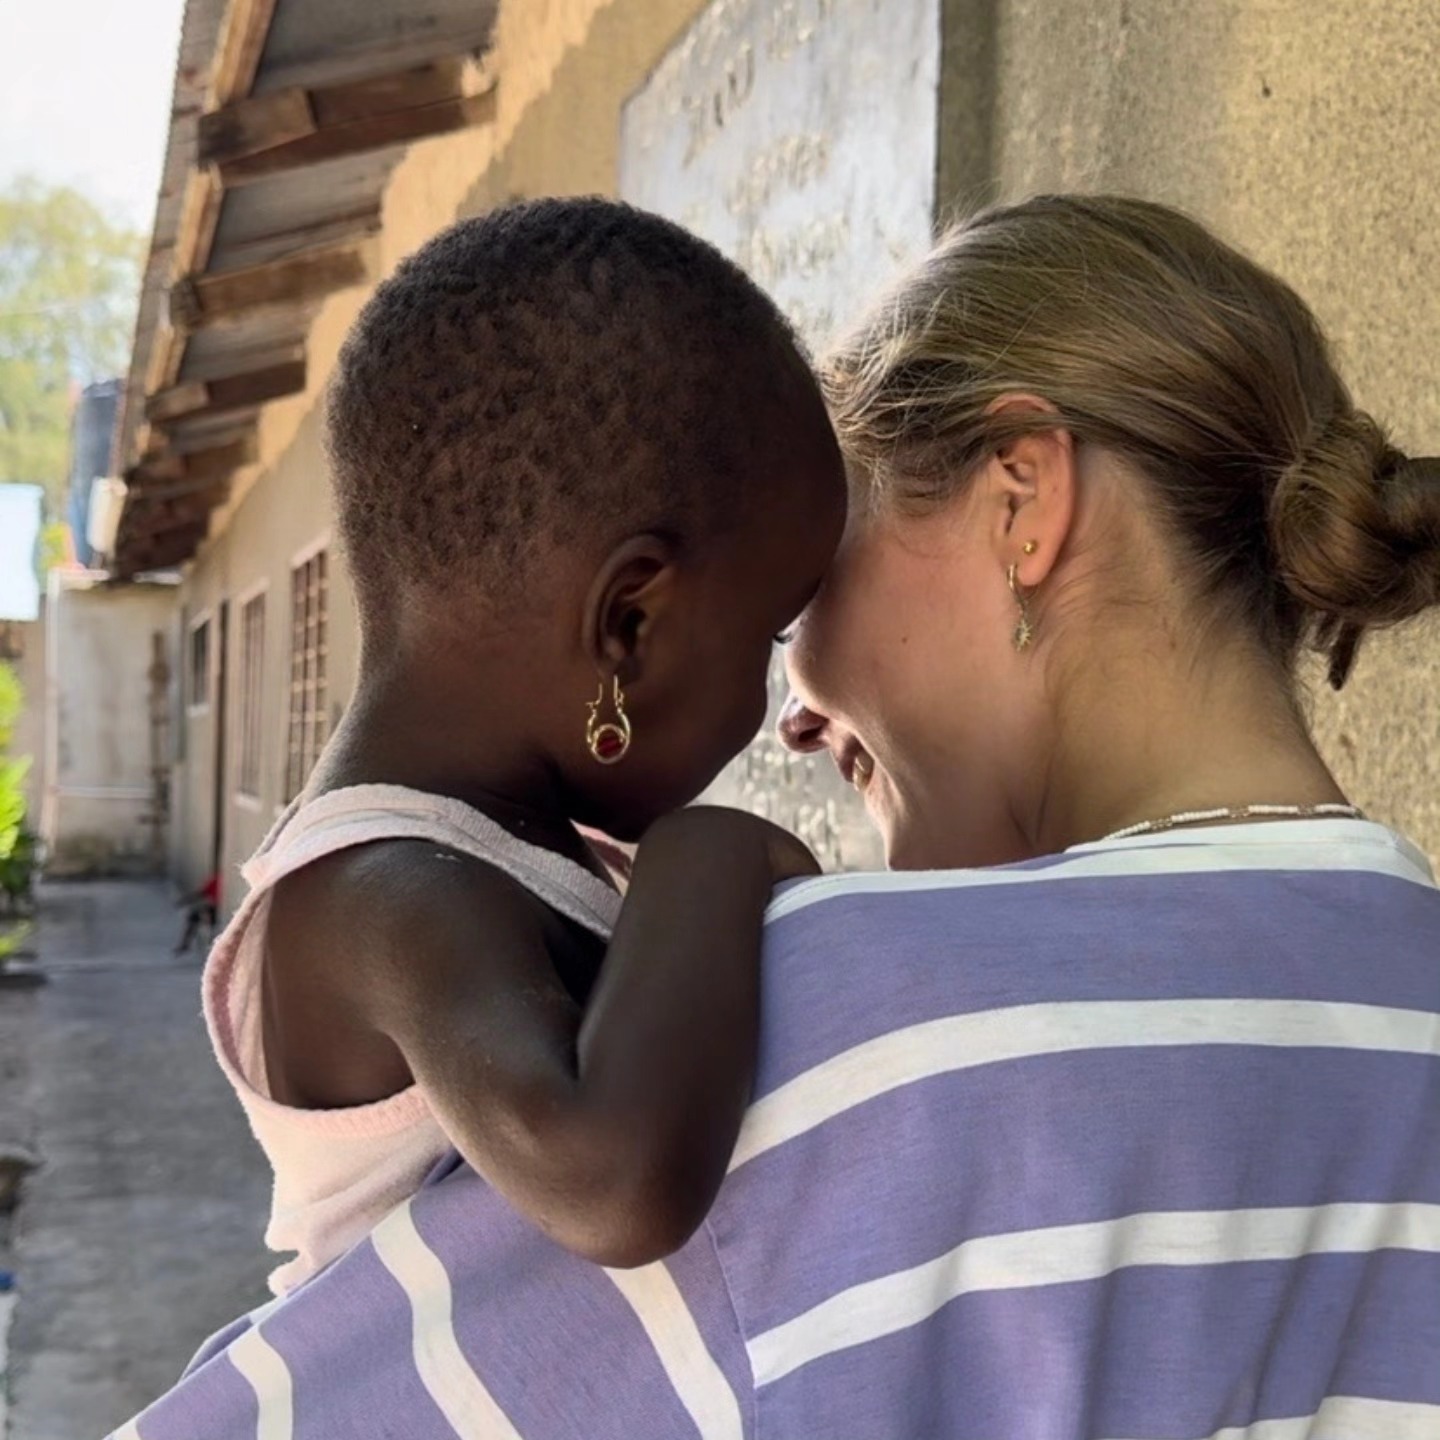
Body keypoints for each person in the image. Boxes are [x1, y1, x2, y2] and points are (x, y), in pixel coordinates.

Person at [114, 196, 1439, 1440]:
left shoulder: (836, 1010)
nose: (790, 713)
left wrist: (716, 860)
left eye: (811, 595)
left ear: (1024, 505)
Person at [201, 197, 845, 1296]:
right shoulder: (379, 891)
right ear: (627, 626)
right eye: (769, 635)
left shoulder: (507, 853)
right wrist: (710, 853)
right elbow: (608, 1182)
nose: (774, 704)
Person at [172, 871, 219, 956]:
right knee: (193, 916)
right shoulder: (216, 879)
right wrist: (184, 901)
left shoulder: (224, 880)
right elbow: (202, 893)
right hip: (212, 908)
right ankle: (185, 944)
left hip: (219, 910)